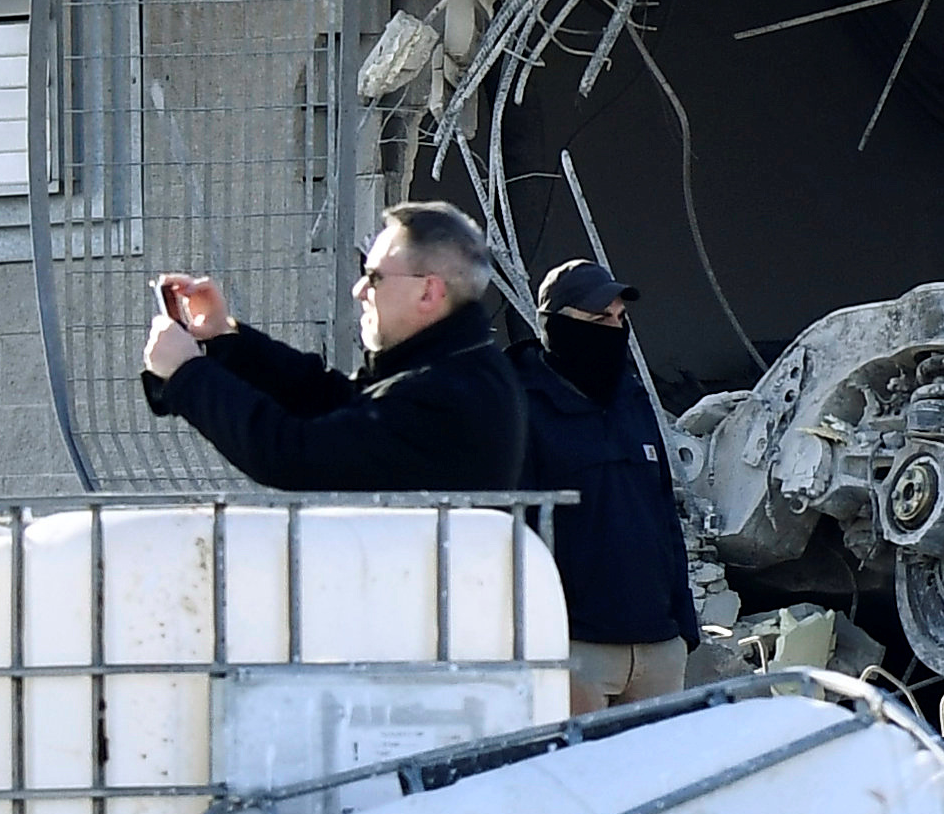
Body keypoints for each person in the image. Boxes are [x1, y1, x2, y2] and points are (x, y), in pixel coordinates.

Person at [142, 201, 531, 495]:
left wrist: (189, 375)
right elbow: (333, 399)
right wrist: (225, 339)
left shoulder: (450, 392)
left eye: (374, 277)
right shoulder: (450, 368)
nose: (359, 290)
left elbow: (294, 454)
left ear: (428, 290)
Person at [527, 257, 704, 714]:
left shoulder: (632, 398)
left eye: (619, 319)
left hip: (657, 645)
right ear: (556, 324)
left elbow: (662, 509)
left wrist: (683, 627)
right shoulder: (522, 406)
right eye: (597, 319)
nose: (612, 329)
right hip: (576, 647)